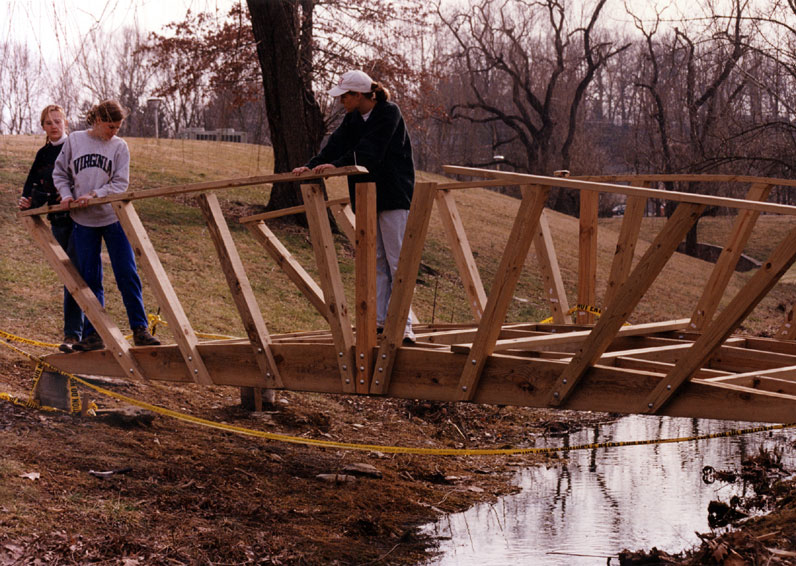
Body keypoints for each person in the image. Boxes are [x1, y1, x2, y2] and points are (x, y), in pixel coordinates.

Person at [292, 69, 416, 343]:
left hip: (393, 195)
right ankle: (381, 323)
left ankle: (404, 327)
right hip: (365, 195)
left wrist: (336, 164)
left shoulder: (388, 113)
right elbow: (334, 146)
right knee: (377, 261)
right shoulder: (352, 120)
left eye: (344, 96)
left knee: (398, 262)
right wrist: (311, 166)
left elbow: (371, 151)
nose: (341, 102)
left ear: (358, 95)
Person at [53, 100, 160, 351]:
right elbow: (60, 173)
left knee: (126, 273)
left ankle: (140, 329)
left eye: (118, 127)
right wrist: (67, 195)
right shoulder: (75, 140)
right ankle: (94, 334)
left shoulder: (120, 147)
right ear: (98, 121)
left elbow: (120, 184)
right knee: (90, 278)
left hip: (113, 218)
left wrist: (95, 195)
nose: (114, 131)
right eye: (110, 126)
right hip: (83, 221)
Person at [18, 104, 84, 353]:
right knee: (69, 278)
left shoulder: (77, 147)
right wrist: (27, 201)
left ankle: (80, 334)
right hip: (59, 222)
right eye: (48, 123)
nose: (54, 126)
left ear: (66, 123)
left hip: (83, 219)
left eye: (58, 121)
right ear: (43, 126)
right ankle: (73, 334)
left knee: (82, 275)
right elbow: (30, 191)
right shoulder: (43, 154)